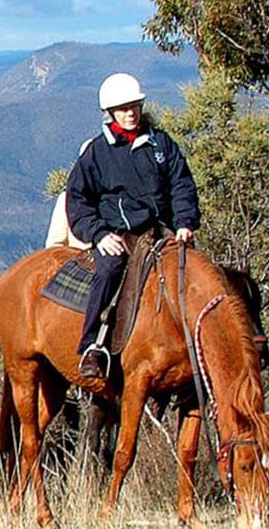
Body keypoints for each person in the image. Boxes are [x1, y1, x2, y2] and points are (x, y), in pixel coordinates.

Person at [65, 72, 199, 378]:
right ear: (110, 112)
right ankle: (92, 346)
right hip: (118, 236)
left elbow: (181, 185)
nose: (130, 113)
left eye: (135, 106)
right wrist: (99, 235)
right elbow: (78, 199)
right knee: (109, 271)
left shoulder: (162, 145)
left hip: (160, 231)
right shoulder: (96, 153)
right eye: (123, 108)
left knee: (194, 272)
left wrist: (184, 222)